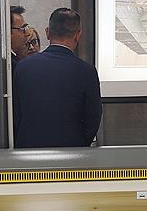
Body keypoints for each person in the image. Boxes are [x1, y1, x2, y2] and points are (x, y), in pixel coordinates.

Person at [13, 8, 102, 148]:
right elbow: (93, 118)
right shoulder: (86, 71)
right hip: (71, 151)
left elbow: (16, 115)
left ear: (47, 32)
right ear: (78, 35)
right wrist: (79, 143)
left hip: (28, 151)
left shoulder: (23, 67)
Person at [10, 5, 29, 73]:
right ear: (8, 31)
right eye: (23, 29)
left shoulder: (16, 60)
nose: (27, 34)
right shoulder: (9, 65)